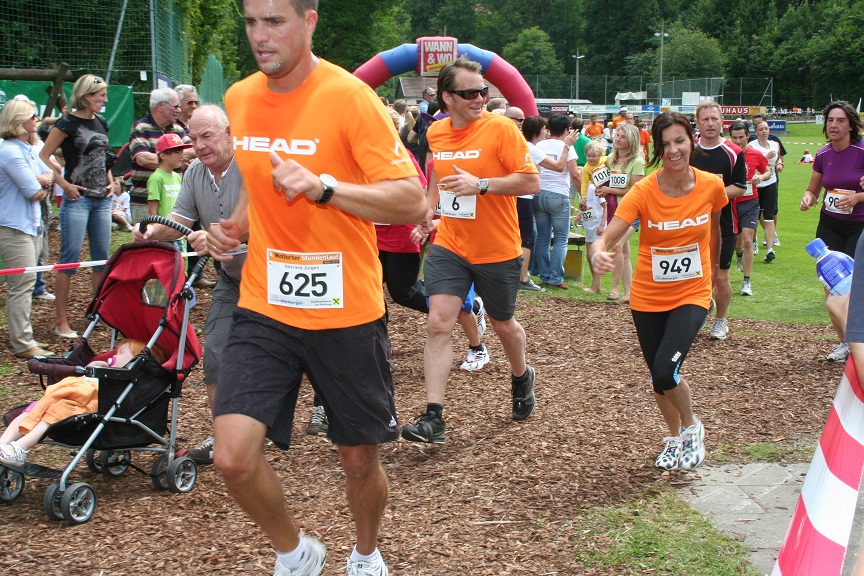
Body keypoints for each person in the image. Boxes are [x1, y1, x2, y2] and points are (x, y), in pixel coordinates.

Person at [201, 1, 427, 574]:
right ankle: (295, 553)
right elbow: (258, 178)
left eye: (274, 21)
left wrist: (325, 188)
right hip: (265, 304)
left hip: (345, 311)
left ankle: (366, 553)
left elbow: (410, 199)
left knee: (358, 461)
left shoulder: (350, 97)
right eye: (251, 22)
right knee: (231, 458)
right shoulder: (240, 98)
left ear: (309, 21)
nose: (260, 35)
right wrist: (236, 226)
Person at [401, 55, 540, 446]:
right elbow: (436, 182)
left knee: (502, 324)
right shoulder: (437, 132)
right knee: (438, 323)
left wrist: (482, 184)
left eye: (483, 91)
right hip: (450, 244)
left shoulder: (501, 129)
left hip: (497, 247)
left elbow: (530, 182)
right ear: (447, 97)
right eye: (469, 93)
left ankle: (521, 375)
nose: (479, 98)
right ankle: (433, 417)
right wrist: (427, 214)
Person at [589, 111, 727, 472]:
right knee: (657, 377)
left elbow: (715, 230)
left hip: (693, 292)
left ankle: (692, 427)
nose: (673, 150)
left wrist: (713, 272)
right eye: (665, 144)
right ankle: (674, 437)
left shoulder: (711, 186)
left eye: (679, 141)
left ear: (692, 142)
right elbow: (610, 233)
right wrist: (598, 252)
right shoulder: (644, 190)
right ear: (657, 149)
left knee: (666, 369)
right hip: (648, 296)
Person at [134, 105, 247, 464]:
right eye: (193, 139)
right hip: (231, 279)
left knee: (301, 353)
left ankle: (330, 409)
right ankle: (224, 439)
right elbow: (180, 219)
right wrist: (151, 230)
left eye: (207, 136)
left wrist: (213, 236)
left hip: (273, 279)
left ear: (229, 134)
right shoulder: (195, 172)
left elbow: (266, 222)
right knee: (216, 352)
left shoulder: (251, 167)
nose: (198, 146)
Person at [0, 339, 166, 465]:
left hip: (77, 406)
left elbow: (92, 397)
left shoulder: (123, 385)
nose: (114, 356)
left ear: (136, 362)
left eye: (121, 353)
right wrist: (91, 367)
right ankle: (3, 443)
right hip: (61, 398)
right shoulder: (102, 371)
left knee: (48, 418)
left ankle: (20, 449)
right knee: (29, 412)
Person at [39, 75, 114, 340]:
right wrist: (63, 184)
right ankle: (61, 322)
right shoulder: (67, 123)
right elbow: (43, 156)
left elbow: (102, 158)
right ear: (86, 96)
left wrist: (111, 180)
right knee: (69, 260)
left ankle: (98, 315)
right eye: (101, 95)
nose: (105, 100)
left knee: (101, 259)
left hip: (102, 199)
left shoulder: (101, 121)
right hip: (77, 199)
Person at [800, 100, 864, 362]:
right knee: (830, 286)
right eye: (830, 120)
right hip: (829, 224)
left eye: (840, 120)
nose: (834, 125)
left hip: (859, 226)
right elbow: (813, 190)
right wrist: (808, 198)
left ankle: (858, 341)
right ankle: (844, 343)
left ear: (851, 125)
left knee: (852, 287)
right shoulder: (823, 154)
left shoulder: (862, 151)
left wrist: (858, 197)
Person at [0, 96, 54, 359]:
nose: (37, 120)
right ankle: (23, 343)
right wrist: (42, 181)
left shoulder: (28, 149)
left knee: (27, 282)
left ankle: (24, 337)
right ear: (18, 120)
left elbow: (51, 172)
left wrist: (41, 179)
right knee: (21, 285)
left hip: (30, 224)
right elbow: (34, 192)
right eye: (32, 116)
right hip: (14, 226)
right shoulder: (10, 151)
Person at [690, 101, 746, 340]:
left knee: (721, 276)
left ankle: (721, 321)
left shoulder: (733, 152)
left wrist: (712, 195)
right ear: (698, 123)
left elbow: (740, 187)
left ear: (723, 121)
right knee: (695, 275)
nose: (710, 124)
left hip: (724, 224)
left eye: (715, 119)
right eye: (705, 119)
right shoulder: (690, 150)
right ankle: (702, 307)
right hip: (692, 224)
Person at [127, 88, 195, 224]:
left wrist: (171, 158)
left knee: (173, 236)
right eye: (175, 106)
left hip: (172, 199)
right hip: (144, 201)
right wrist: (175, 161)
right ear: (160, 106)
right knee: (146, 236)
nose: (179, 110)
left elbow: (195, 150)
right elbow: (142, 159)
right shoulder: (140, 127)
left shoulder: (177, 129)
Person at [595, 123, 645, 301]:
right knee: (623, 251)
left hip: (632, 211)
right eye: (617, 135)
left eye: (623, 137)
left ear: (631, 140)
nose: (618, 139)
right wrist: (600, 189)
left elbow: (635, 190)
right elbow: (604, 180)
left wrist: (609, 190)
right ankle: (629, 292)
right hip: (615, 210)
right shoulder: (610, 159)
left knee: (617, 245)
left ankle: (615, 288)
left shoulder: (637, 162)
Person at [532, 114, 580, 290]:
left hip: (539, 193)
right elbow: (574, 174)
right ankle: (555, 277)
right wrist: (583, 195)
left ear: (548, 129)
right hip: (558, 194)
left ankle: (544, 274)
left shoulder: (540, 145)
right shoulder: (566, 147)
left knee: (543, 238)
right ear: (567, 130)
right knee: (561, 239)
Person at [728, 122, 770, 296]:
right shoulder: (727, 154)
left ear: (747, 136)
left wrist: (761, 177)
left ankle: (746, 281)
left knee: (747, 240)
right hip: (731, 203)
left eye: (741, 137)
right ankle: (739, 255)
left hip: (750, 202)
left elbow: (767, 171)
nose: (738, 141)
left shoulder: (755, 154)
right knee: (736, 243)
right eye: (734, 138)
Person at [749, 119, 781, 262]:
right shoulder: (751, 146)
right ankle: (753, 242)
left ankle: (769, 249)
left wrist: (779, 164)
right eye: (761, 129)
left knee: (769, 216)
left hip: (771, 182)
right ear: (756, 132)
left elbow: (778, 159)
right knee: (754, 216)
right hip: (755, 184)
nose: (764, 131)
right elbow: (751, 164)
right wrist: (766, 157)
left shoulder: (774, 144)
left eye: (766, 129)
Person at [147, 133, 191, 224]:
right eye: (177, 152)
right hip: (162, 229)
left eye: (182, 152)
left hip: (177, 228)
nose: (181, 156)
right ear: (163, 156)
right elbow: (152, 211)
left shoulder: (177, 176)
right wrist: (155, 229)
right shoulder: (156, 178)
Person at [580, 182, 607, 294]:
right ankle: (598, 286)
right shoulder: (582, 191)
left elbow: (605, 206)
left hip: (597, 225)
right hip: (590, 225)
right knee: (589, 256)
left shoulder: (593, 188)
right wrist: (581, 213)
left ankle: (594, 287)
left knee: (596, 257)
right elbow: (586, 207)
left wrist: (602, 225)